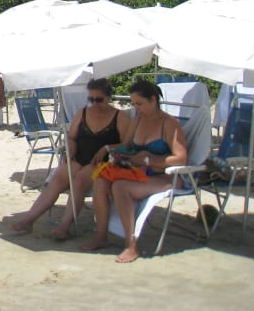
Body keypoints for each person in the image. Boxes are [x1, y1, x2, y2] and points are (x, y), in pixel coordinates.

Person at [81, 79, 189, 263]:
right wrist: (110, 150)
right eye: (133, 104)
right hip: (139, 173)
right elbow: (126, 146)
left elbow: (181, 158)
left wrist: (149, 159)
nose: (136, 108)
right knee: (100, 181)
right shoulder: (138, 120)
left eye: (139, 103)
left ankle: (131, 246)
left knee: (120, 187)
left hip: (165, 176)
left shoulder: (169, 124)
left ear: (153, 100)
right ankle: (101, 236)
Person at [10, 78, 130, 238]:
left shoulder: (120, 117)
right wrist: (70, 150)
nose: (95, 103)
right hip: (79, 157)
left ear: (108, 97)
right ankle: (29, 220)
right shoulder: (82, 113)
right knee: (57, 180)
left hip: (103, 162)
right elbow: (72, 138)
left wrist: (106, 148)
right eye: (91, 99)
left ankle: (65, 226)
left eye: (99, 99)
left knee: (79, 181)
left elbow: (127, 144)